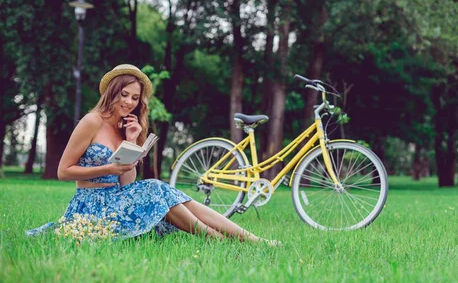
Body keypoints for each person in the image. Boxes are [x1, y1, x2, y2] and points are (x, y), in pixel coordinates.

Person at [27, 64, 279, 245]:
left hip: (118, 199)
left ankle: (252, 240)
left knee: (168, 193)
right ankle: (219, 240)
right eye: (123, 95)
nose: (128, 102)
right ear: (111, 93)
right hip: (91, 205)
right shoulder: (91, 121)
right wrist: (107, 169)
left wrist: (131, 140)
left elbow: (126, 181)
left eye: (135, 98)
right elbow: (63, 172)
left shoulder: (126, 127)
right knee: (158, 189)